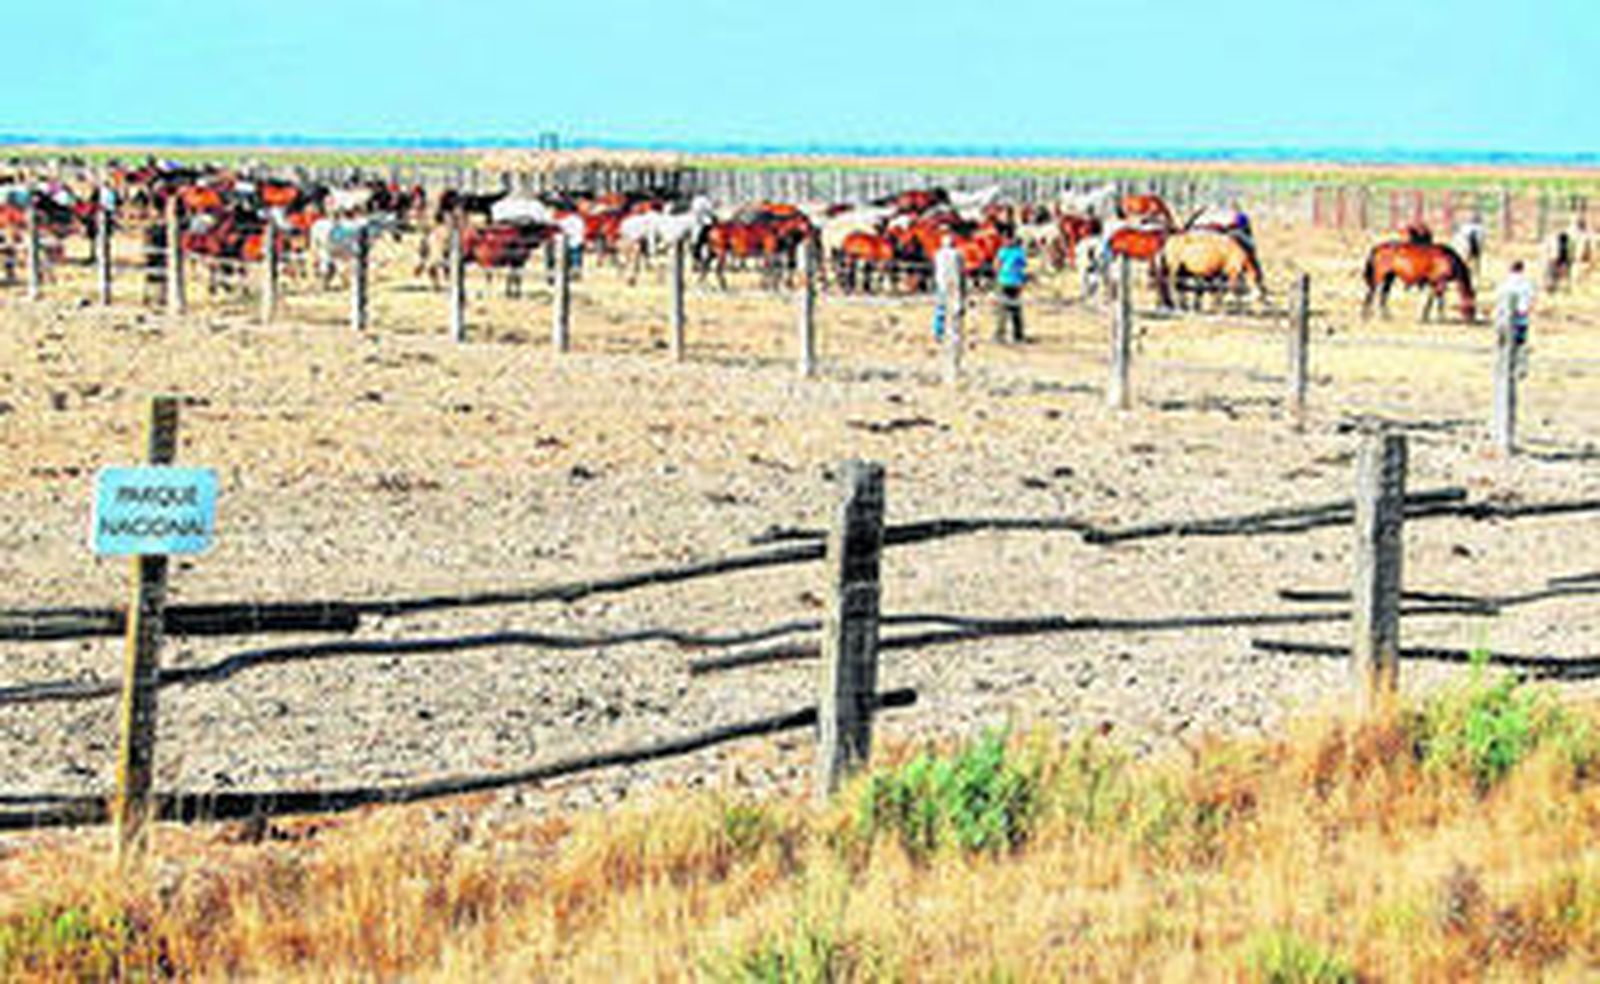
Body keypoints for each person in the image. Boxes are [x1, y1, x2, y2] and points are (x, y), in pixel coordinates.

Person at [1496, 259, 1536, 378]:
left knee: (1504, 343)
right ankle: (1521, 368)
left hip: (1505, 317)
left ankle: (1504, 366)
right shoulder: (1527, 284)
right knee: (1521, 344)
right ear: (1522, 269)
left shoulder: (1504, 283)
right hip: (1521, 317)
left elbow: (1498, 300)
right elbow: (1532, 300)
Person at [994, 234, 1027, 342]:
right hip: (1016, 282)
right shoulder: (1020, 252)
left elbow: (997, 265)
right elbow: (1023, 266)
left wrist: (997, 276)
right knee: (1016, 309)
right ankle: (1018, 334)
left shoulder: (1002, 251)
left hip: (1004, 281)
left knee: (1002, 310)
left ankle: (1000, 334)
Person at [932, 233, 963, 342]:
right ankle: (955, 334)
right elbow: (961, 269)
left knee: (940, 308)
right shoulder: (957, 254)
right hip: (954, 282)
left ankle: (938, 333)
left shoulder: (937, 254)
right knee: (956, 308)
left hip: (941, 283)